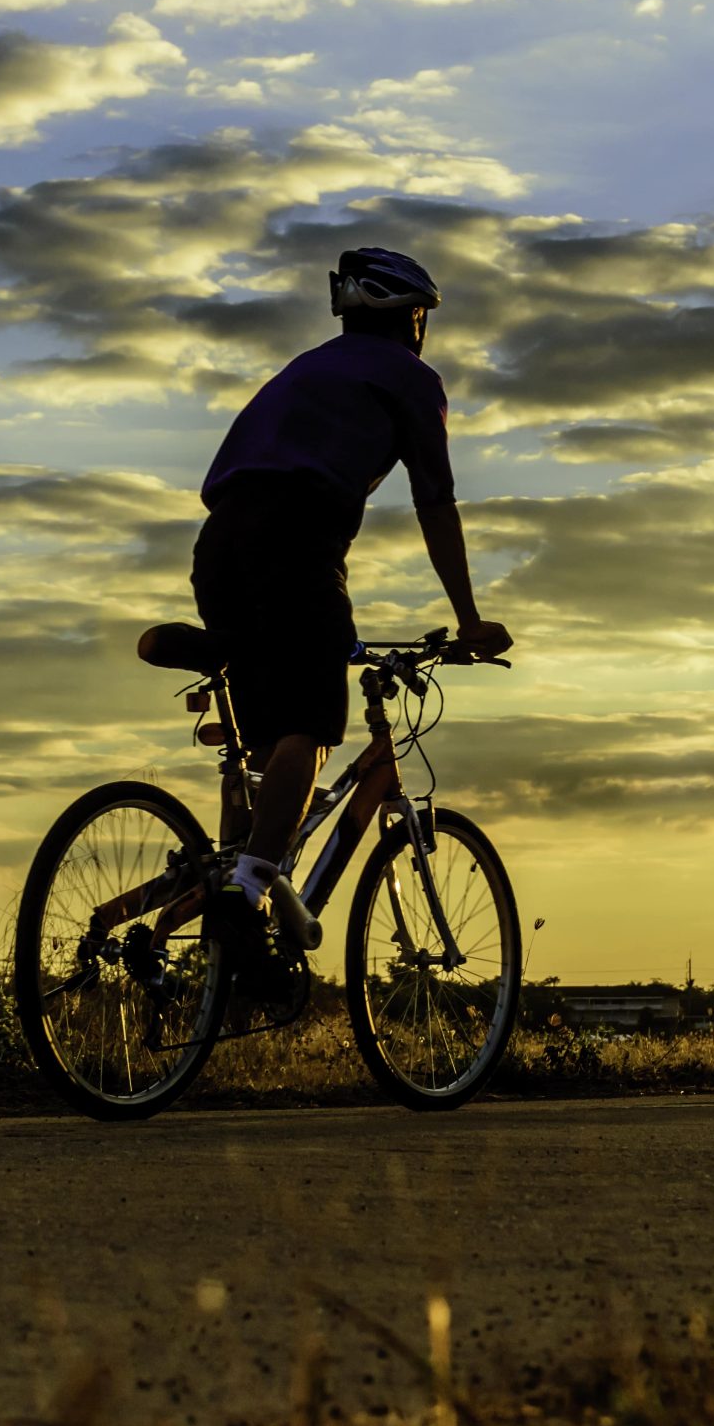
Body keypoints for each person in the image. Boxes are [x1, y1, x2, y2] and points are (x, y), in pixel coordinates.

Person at [189, 247, 511, 999]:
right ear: (411, 318)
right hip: (295, 546)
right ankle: (243, 895)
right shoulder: (410, 377)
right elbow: (436, 501)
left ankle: (234, 906)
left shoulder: (306, 369)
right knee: (314, 726)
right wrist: (467, 618)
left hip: (218, 549)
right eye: (423, 316)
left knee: (270, 750)